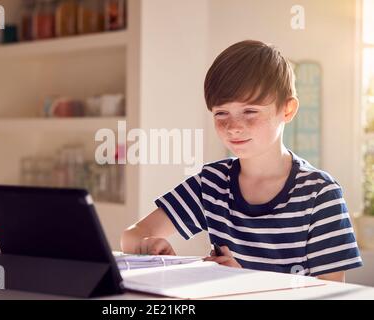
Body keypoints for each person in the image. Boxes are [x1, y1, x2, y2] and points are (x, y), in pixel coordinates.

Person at [120, 40, 363, 282]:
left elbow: (331, 294)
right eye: (221, 113)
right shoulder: (212, 184)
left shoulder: (320, 193)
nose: (234, 127)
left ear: (287, 110)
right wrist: (150, 249)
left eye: (250, 112)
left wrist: (245, 279)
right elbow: (132, 236)